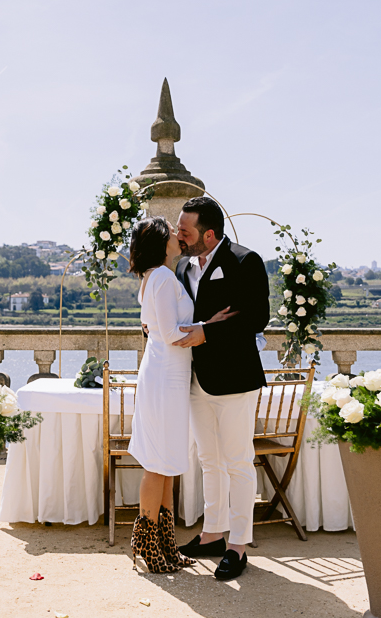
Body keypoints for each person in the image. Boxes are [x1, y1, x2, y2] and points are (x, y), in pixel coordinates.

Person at [126, 216, 235, 573]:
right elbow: (172, 334)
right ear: (161, 242)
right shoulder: (160, 276)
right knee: (158, 463)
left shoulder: (158, 276)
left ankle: (166, 545)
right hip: (164, 377)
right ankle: (146, 543)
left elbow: (157, 328)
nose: (178, 235)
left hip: (170, 375)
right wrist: (210, 326)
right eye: (172, 232)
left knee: (168, 462)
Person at [172, 196, 270, 581]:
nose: (178, 235)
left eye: (185, 231)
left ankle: (238, 545)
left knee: (238, 462)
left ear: (209, 234)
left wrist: (208, 332)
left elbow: (256, 317)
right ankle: (212, 533)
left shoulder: (245, 261)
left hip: (235, 379)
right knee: (208, 460)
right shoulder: (182, 266)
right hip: (196, 378)